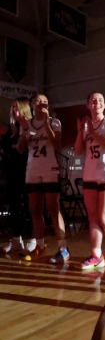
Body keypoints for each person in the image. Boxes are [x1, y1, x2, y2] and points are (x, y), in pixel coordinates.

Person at [16, 93, 69, 263]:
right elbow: (20, 149)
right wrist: (24, 129)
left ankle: (63, 248)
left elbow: (57, 145)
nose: (42, 104)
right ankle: (40, 245)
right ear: (32, 104)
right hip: (32, 170)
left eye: (45, 101)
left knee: (53, 210)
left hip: (50, 169)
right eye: (38, 101)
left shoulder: (54, 122)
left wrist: (46, 123)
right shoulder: (27, 124)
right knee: (35, 210)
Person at [73, 92, 105, 269]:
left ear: (104, 105)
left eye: (100, 100)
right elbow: (78, 151)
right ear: (88, 105)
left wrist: (92, 131)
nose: (97, 103)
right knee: (92, 217)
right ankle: (96, 255)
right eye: (93, 100)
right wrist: (81, 131)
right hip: (90, 175)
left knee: (104, 217)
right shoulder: (85, 126)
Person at [0, 98, 33, 254]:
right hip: (12, 172)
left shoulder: (29, 126)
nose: (14, 110)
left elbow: (24, 150)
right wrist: (7, 137)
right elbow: (6, 150)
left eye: (17, 107)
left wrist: (15, 137)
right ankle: (16, 239)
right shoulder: (10, 128)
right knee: (14, 206)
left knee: (28, 206)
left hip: (27, 171)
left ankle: (32, 238)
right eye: (13, 107)